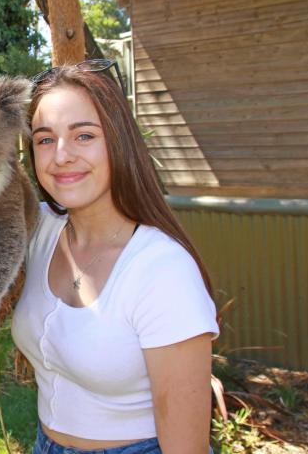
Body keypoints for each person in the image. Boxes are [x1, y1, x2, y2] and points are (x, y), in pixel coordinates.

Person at [11, 60, 219, 454]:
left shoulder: (163, 272)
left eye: (84, 136)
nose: (61, 156)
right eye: (44, 139)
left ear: (118, 140)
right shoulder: (39, 229)